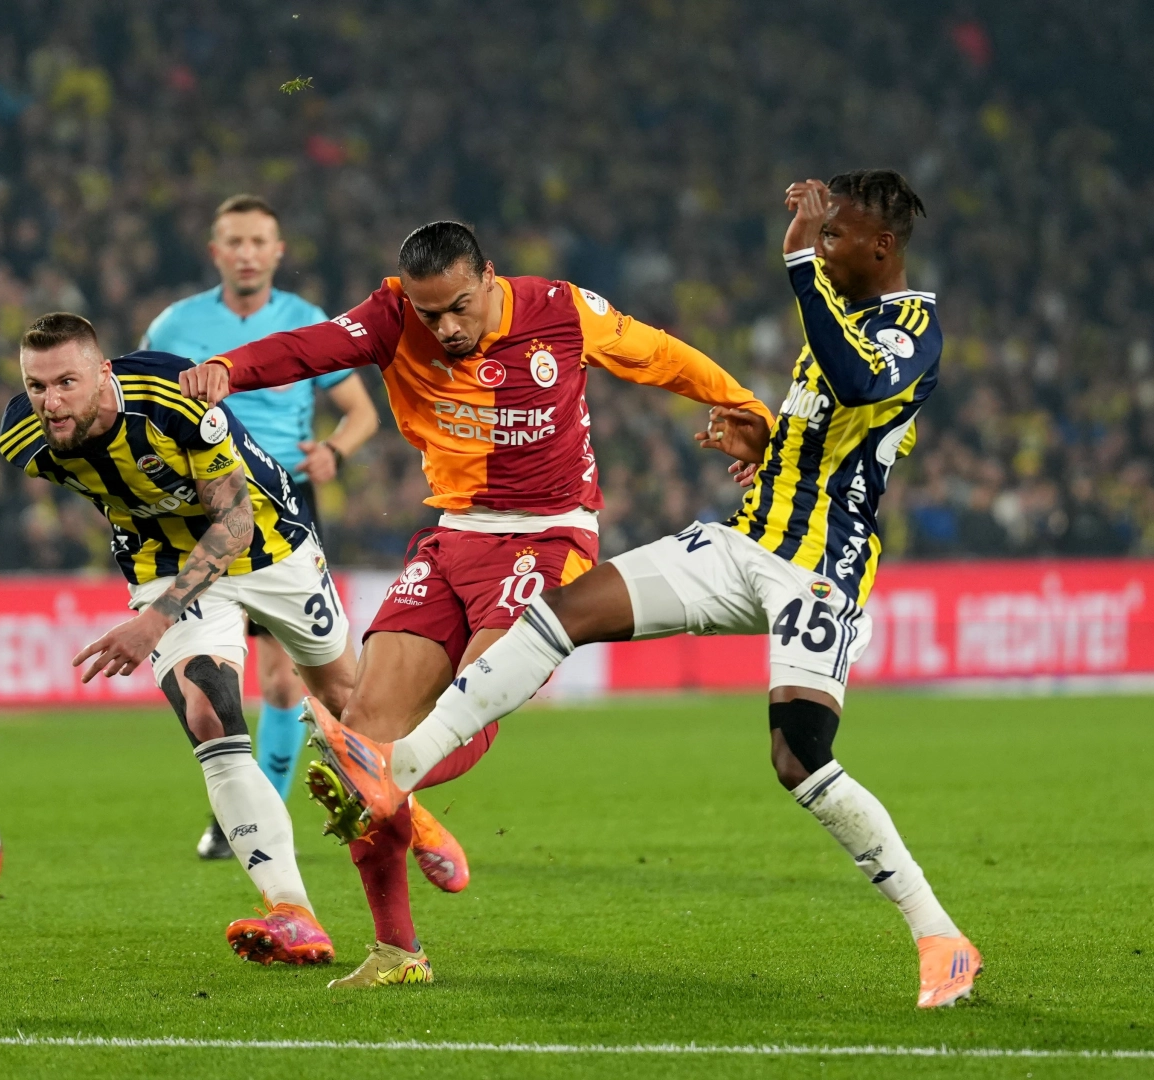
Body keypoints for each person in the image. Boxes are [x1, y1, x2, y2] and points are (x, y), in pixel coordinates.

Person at [301, 172, 983, 1008]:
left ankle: (939, 935)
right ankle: (393, 765)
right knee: (558, 612)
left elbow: (861, 386)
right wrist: (764, 443)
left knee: (798, 758)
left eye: (834, 236)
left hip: (817, 574)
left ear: (882, 246)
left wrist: (799, 266)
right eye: (819, 236)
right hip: (742, 543)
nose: (821, 247)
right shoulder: (837, 316)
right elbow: (829, 436)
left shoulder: (912, 327)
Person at [179, 221, 771, 987]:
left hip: (547, 536)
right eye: (431, 315)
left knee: (465, 703)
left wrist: (748, 410)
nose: (446, 328)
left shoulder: (560, 309)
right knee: (363, 732)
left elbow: (660, 355)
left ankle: (393, 781)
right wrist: (227, 367)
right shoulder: (392, 316)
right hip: (454, 534)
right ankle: (397, 951)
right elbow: (309, 348)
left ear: (489, 277)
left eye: (459, 307)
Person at [0, 312, 353, 965]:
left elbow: (234, 523)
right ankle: (293, 913)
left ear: (103, 374)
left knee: (348, 706)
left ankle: (408, 816)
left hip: (271, 543)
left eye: (67, 382)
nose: (50, 402)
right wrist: (159, 596)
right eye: (37, 385)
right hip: (164, 561)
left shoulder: (171, 397)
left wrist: (153, 621)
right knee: (205, 708)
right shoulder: (24, 439)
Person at [141, 194, 384, 859]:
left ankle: (256, 816)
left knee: (281, 680)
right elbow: (140, 405)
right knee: (211, 674)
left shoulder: (305, 322)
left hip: (284, 502)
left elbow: (361, 412)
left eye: (258, 242)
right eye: (235, 242)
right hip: (200, 505)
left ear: (277, 252)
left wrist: (334, 451)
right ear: (215, 252)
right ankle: (244, 809)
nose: (246, 253)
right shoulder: (174, 326)